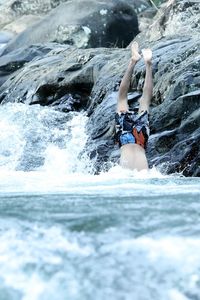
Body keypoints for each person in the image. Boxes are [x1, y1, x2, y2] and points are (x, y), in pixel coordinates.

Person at [115, 41, 153, 171]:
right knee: (139, 100)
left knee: (125, 98)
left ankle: (135, 62)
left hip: (133, 138)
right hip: (136, 140)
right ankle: (146, 64)